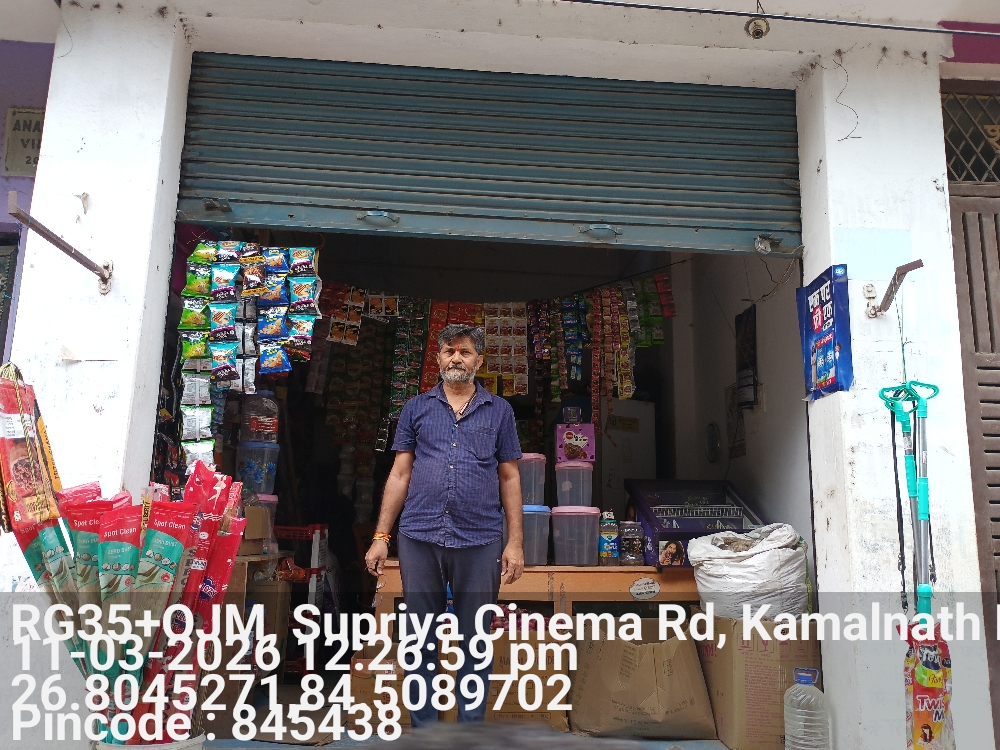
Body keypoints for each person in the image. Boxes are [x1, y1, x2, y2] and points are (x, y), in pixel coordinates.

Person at [365, 323, 525, 725]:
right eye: (449, 351)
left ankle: (469, 732)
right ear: (438, 358)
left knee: (476, 641)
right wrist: (381, 536)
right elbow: (400, 474)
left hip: (480, 539)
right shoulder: (416, 408)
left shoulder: (500, 411)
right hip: (420, 535)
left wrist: (515, 542)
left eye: (465, 352)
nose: (456, 358)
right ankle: (426, 732)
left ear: (479, 361)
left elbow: (509, 477)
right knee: (420, 639)